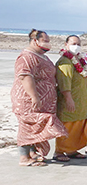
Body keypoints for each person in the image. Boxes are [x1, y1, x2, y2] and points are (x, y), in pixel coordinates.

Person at [11, 29, 68, 166]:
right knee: (28, 126)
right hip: (28, 99)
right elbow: (25, 76)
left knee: (36, 127)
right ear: (35, 41)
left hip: (44, 100)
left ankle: (32, 153)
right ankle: (24, 158)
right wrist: (34, 97)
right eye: (45, 41)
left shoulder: (42, 56)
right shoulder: (26, 57)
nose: (48, 44)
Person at [54, 35, 87, 162]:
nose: (76, 46)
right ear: (66, 44)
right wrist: (68, 98)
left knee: (79, 124)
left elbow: (85, 77)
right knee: (67, 125)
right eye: (73, 43)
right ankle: (59, 151)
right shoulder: (65, 61)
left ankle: (72, 150)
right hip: (70, 99)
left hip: (81, 99)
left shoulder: (80, 61)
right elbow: (64, 82)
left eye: (78, 43)